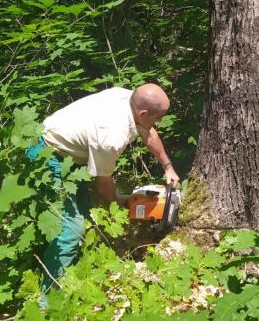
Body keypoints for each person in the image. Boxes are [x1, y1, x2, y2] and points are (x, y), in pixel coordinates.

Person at [25, 83, 179, 304]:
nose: (159, 122)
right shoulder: (111, 136)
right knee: (71, 229)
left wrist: (168, 166)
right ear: (143, 112)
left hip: (66, 153)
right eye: (158, 117)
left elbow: (148, 131)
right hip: (45, 155)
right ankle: (47, 304)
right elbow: (103, 184)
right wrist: (120, 207)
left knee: (82, 215)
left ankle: (68, 270)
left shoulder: (128, 99)